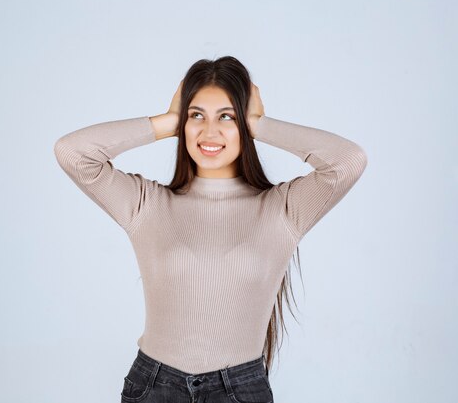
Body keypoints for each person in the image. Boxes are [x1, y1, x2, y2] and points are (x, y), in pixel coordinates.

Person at [54, 56, 367, 403]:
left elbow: (347, 161)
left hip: (240, 390)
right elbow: (72, 152)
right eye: (197, 116)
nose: (210, 132)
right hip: (154, 387)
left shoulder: (281, 210)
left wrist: (260, 125)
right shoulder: (147, 204)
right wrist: (166, 122)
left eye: (227, 117)